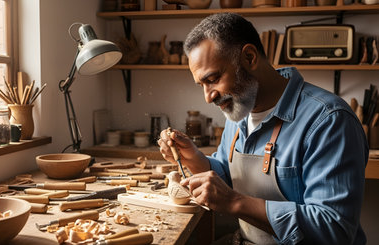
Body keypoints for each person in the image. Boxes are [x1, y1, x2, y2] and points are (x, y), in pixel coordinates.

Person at [157, 13, 367, 245]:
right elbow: (231, 177)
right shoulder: (239, 109)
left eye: (213, 79)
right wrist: (193, 158)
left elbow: (334, 230)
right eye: (202, 85)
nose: (208, 97)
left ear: (249, 57)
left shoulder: (329, 120)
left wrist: (235, 203)